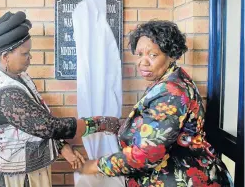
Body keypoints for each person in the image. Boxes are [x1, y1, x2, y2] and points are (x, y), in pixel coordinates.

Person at [0, 11, 120, 187]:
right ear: (6, 57)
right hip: (6, 178)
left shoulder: (18, 77)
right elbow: (51, 127)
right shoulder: (7, 96)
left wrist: (63, 147)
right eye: (25, 54)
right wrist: (102, 123)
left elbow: (36, 120)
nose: (30, 58)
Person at [78, 20, 234, 187]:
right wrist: (96, 124)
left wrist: (96, 166)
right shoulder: (166, 81)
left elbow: (146, 154)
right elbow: (147, 125)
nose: (143, 62)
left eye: (152, 55)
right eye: (139, 54)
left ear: (171, 54)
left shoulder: (171, 91)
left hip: (183, 179)